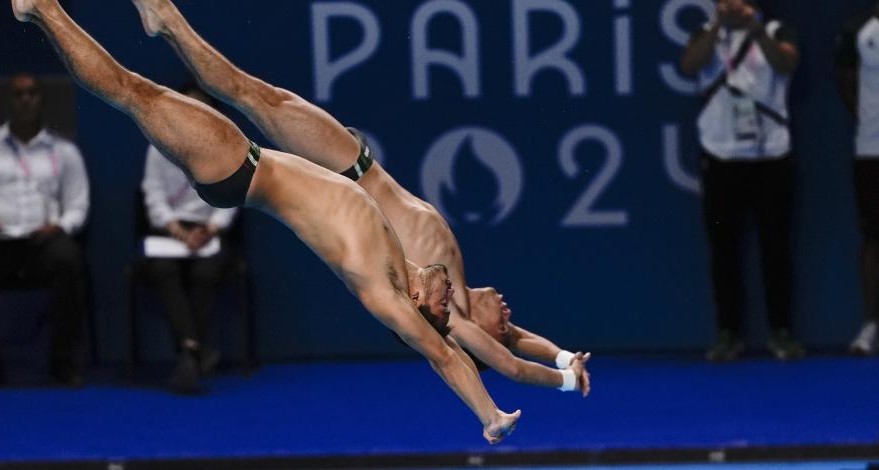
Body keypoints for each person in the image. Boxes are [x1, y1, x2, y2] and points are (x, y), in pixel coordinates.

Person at [12, 0, 519, 443]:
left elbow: (444, 354)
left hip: (237, 170)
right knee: (173, 92)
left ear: (416, 308)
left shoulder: (384, 292)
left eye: (441, 304)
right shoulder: (400, 262)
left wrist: (489, 414)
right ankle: (156, 16)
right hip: (243, 162)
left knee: (132, 92)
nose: (448, 291)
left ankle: (43, 10)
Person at [129, 0, 590, 395]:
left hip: (344, 171)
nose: (509, 315)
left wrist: (564, 384)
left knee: (251, 94)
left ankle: (168, 22)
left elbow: (510, 364)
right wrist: (565, 356)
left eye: (503, 325)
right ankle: (167, 24)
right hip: (354, 162)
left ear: (482, 338)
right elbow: (521, 344)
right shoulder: (460, 295)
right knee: (254, 94)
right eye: (510, 322)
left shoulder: (453, 320)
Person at [679, 0, 804, 361]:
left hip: (771, 156)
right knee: (723, 251)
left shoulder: (778, 32)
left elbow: (787, 62)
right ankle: (728, 333)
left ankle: (781, 332)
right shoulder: (706, 33)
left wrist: (754, 28)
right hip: (720, 156)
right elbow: (689, 64)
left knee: (775, 248)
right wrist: (719, 26)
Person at [0, 72, 90, 390]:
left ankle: (62, 363)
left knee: (69, 259)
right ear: (9, 101)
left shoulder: (63, 151)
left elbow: (78, 205)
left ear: (41, 99)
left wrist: (60, 226)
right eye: (19, 94)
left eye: (32, 93)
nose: (26, 99)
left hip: (43, 243)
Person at [140, 83, 238, 392]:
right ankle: (195, 350)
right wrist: (180, 233)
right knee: (162, 269)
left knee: (206, 273)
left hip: (209, 232)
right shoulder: (157, 144)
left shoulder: (225, 147)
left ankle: (188, 351)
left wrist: (209, 230)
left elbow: (234, 195)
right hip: (172, 232)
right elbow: (153, 195)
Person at [836, 0, 879, 356]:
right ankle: (871, 324)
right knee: (874, 237)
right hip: (871, 150)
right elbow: (847, 88)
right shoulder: (858, 32)